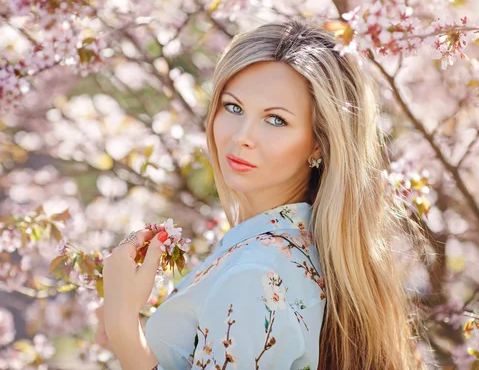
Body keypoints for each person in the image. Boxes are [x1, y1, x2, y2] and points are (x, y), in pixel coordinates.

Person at [101, 19, 425, 370]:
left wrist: (123, 326)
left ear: (319, 143)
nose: (242, 136)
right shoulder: (306, 247)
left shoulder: (255, 274)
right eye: (233, 107)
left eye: (276, 120)